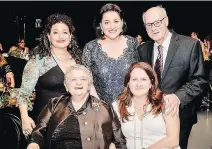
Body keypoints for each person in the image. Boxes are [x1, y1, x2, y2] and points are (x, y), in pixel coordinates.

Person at [137, 5, 206, 149]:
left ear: (166, 21)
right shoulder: (143, 49)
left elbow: (199, 80)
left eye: (157, 22)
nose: (154, 28)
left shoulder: (190, 45)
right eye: (149, 25)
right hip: (151, 117)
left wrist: (177, 97)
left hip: (180, 114)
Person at [26, 64, 127, 149]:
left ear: (89, 84)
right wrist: (34, 143)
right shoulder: (54, 104)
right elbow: (39, 131)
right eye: (73, 79)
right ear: (66, 85)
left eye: (83, 79)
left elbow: (120, 141)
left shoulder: (105, 108)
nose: (78, 82)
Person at [17, 13, 82, 137]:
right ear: (48, 36)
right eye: (55, 32)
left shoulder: (79, 60)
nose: (60, 36)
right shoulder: (38, 61)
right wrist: (24, 118)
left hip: (74, 123)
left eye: (65, 32)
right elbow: (23, 94)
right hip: (45, 124)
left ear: (70, 35)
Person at [112, 62, 180, 149]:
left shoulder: (167, 102)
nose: (139, 84)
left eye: (143, 79)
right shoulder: (117, 106)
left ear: (151, 83)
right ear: (128, 83)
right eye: (134, 79)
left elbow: (173, 140)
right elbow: (116, 141)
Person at [82, 3, 139, 104]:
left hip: (132, 106)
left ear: (122, 22)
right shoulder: (90, 48)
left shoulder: (133, 43)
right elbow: (87, 82)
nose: (112, 26)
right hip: (102, 110)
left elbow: (142, 75)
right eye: (107, 22)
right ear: (100, 25)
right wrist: (100, 108)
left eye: (116, 21)